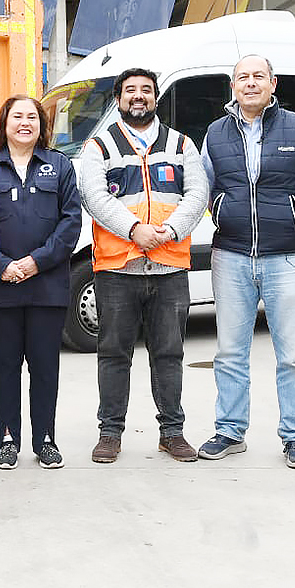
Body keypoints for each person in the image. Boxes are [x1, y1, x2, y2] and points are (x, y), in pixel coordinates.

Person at [197, 54, 295, 469]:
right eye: (242, 77)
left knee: (292, 354)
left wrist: (292, 225)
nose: (250, 83)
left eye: (258, 76)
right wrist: (221, 213)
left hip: (286, 259)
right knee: (230, 352)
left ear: (273, 83)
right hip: (231, 257)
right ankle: (230, 430)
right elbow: (202, 188)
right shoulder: (215, 133)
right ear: (232, 86)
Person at [78, 68, 208, 464]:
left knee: (169, 354)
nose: (139, 96)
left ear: (156, 98)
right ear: (118, 98)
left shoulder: (182, 143)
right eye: (130, 90)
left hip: (169, 267)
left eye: (146, 91)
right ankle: (110, 433)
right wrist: (135, 230)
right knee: (114, 354)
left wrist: (168, 231)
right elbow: (94, 197)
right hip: (118, 268)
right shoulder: (99, 146)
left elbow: (198, 193)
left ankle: (172, 433)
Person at [0, 96, 81, 470]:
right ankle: (6, 439)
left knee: (45, 367)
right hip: (2, 286)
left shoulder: (59, 166)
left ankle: (46, 439)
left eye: (33, 117)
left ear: (42, 126)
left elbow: (71, 221)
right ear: (4, 123)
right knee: (6, 366)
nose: (25, 123)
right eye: (18, 116)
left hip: (46, 286)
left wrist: (35, 262)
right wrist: (1, 265)